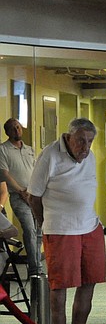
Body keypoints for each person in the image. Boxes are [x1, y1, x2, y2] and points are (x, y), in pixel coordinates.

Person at [29, 118, 106, 324]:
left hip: (89, 227)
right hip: (61, 229)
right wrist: (45, 223)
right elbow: (33, 197)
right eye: (81, 141)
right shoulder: (50, 155)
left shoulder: (89, 157)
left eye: (90, 142)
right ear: (68, 137)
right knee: (60, 285)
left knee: (89, 282)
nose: (85, 147)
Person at [0, 118, 42, 277]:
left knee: (39, 230)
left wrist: (35, 191)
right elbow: (5, 174)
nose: (17, 130)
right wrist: (21, 191)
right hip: (18, 197)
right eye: (13, 128)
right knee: (30, 229)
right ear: (7, 132)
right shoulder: (3, 149)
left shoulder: (29, 149)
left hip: (35, 195)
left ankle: (38, 263)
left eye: (18, 127)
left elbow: (36, 170)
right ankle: (34, 270)